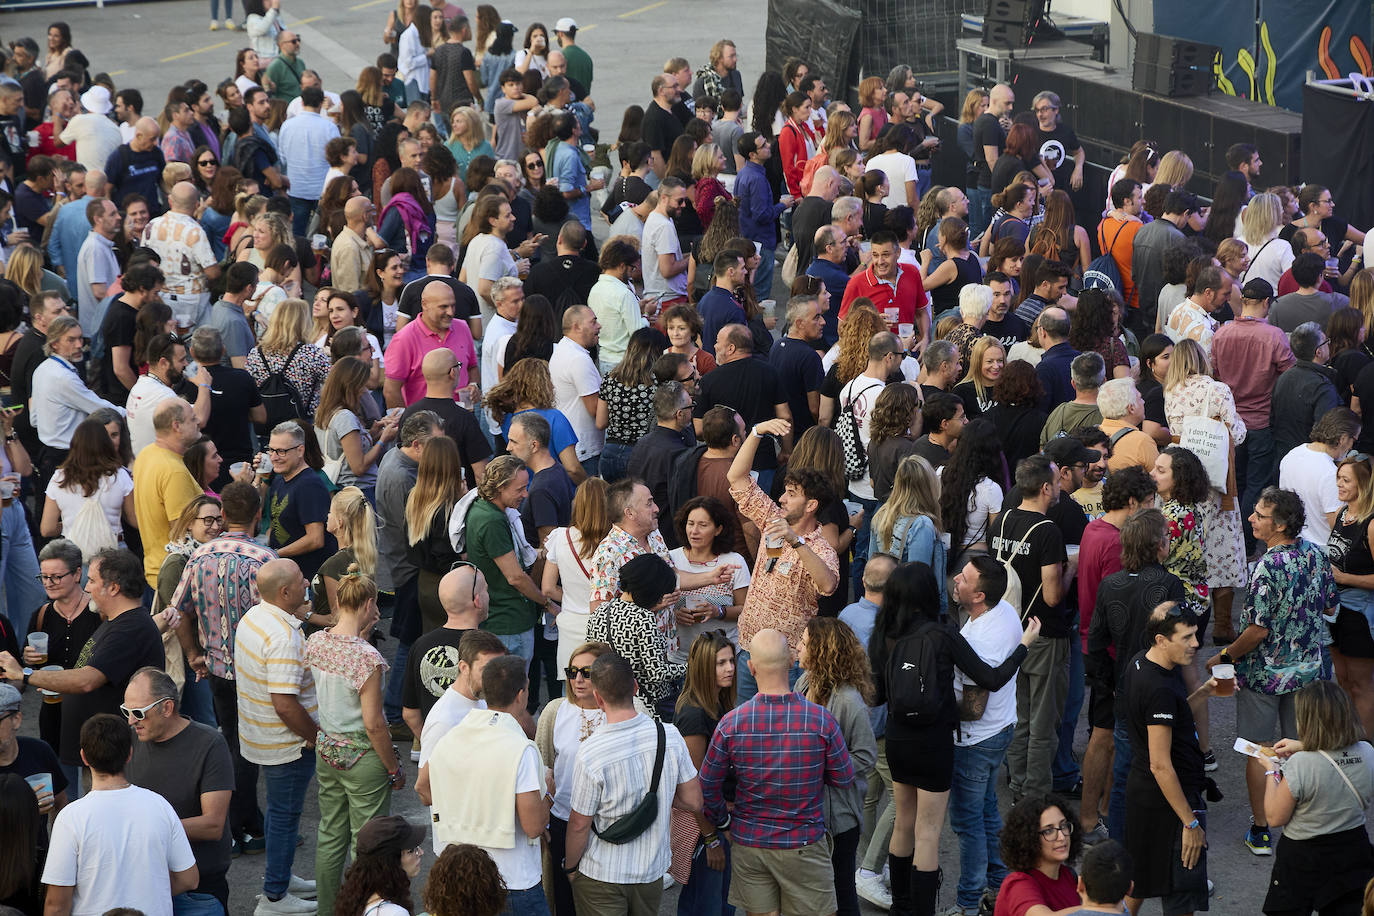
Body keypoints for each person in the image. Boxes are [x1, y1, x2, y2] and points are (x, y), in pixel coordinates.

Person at [869, 562, 1037, 914]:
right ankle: (923, 910)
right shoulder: (943, 633)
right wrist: (1024, 646)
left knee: (903, 821)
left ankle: (901, 905)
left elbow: (878, 696)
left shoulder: (882, 632)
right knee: (928, 832)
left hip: (898, 738)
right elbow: (990, 679)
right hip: (934, 741)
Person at [1212, 486, 1338, 856]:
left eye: (1259, 515)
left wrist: (1225, 656)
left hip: (1265, 675)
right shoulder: (1316, 553)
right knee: (1300, 749)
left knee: (1261, 751)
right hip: (1309, 671)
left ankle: (1262, 828)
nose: (1251, 519)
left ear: (1280, 525)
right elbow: (1330, 606)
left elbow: (1257, 630)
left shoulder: (1266, 567)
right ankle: (1304, 823)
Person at [166, 481, 275, 853]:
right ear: (258, 514)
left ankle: (237, 822)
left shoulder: (198, 557)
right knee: (254, 747)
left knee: (230, 739)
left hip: (215, 669)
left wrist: (194, 653)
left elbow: (176, 611)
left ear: (224, 515)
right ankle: (247, 823)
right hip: (255, 671)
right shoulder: (264, 560)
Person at [303, 565, 401, 916]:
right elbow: (374, 724)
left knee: (331, 835)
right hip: (364, 759)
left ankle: (330, 910)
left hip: (328, 750)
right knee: (369, 844)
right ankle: (367, 910)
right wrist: (393, 766)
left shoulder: (316, 642)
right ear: (368, 603)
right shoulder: (367, 658)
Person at [40, 713, 198, 916]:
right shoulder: (160, 806)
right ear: (129, 754)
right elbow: (188, 879)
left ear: (84, 757)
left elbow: (56, 904)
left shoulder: (70, 818)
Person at [425, 654, 548, 910]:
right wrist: (550, 792)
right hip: (513, 882)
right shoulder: (520, 749)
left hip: (463, 877)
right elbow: (534, 826)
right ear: (521, 694)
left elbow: (422, 788)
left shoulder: (450, 737)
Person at [233, 558, 321, 915]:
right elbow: (285, 704)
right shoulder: (283, 637)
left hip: (261, 736)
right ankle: (274, 897)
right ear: (285, 592)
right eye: (302, 581)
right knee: (285, 815)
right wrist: (317, 737)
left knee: (278, 813)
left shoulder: (255, 616)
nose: (307, 584)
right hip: (288, 744)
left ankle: (280, 878)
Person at [1119, 602, 1211, 916]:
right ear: (1161, 640)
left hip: (1144, 796)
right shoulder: (1158, 688)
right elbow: (1160, 763)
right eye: (1186, 638)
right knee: (1180, 898)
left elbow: (1169, 715)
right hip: (1169, 804)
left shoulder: (1140, 663)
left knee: (1138, 884)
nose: (1196, 644)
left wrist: (1204, 693)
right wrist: (1190, 822)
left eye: (1196, 635)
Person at [123, 667, 235, 915]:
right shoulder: (129, 741)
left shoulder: (209, 745)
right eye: (126, 711)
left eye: (139, 712)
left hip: (197, 889)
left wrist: (146, 830)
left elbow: (213, 825)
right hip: (141, 881)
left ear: (167, 708)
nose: (131, 720)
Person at [991, 454, 1069, 800]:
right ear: (1045, 487)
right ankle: (1034, 789)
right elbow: (1053, 596)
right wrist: (1073, 569)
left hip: (1009, 629)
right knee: (1043, 719)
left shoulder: (1004, 520)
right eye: (1055, 483)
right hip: (1043, 632)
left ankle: (1016, 779)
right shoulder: (1048, 531)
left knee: (1019, 714)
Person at [1261, 680, 1374, 916]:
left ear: (1306, 719)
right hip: (1353, 850)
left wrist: (1272, 770)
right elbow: (1337, 753)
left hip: (1303, 857)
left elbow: (1274, 816)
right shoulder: (1367, 752)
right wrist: (1304, 746)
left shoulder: (1301, 764)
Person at [1164, 338, 1248, 642]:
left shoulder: (1170, 392)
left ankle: (1189, 625)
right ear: (1202, 360)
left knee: (1191, 547)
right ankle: (1223, 626)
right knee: (1222, 549)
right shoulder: (1218, 389)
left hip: (1186, 481)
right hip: (1217, 482)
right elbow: (1236, 434)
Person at [796, 617, 878, 916]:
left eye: (804, 643)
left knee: (841, 890)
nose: (797, 647)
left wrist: (828, 767)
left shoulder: (849, 701)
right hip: (811, 810)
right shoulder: (803, 682)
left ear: (821, 650)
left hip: (840, 817)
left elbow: (866, 755)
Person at [41, 416, 136, 556]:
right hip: (113, 553)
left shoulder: (60, 478)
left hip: (74, 555)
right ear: (106, 444)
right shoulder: (120, 476)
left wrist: (71, 525)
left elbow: (47, 529)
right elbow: (135, 521)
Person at [257, 421, 337, 581]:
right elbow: (274, 523)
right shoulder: (279, 479)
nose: (273, 457)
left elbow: (315, 539)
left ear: (300, 450)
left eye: (281, 451)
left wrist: (275, 554)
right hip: (285, 573)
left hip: (306, 579)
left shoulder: (310, 485)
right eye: (271, 450)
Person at [872, 454, 948, 610]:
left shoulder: (881, 515)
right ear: (928, 486)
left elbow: (871, 565)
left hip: (885, 606)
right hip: (912, 614)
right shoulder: (922, 525)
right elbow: (918, 582)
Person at [993, 791, 1084, 916]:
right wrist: (1100, 909)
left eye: (1063, 826)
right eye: (1048, 831)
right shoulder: (1018, 885)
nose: (1062, 837)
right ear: (1028, 838)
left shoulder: (1068, 875)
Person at [1279, 407, 1359, 548]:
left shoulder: (1291, 455)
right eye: (1354, 439)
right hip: (1321, 551)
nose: (1352, 446)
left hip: (1292, 545)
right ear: (1343, 438)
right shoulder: (1330, 474)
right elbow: (1337, 527)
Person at [334, 815, 426, 916]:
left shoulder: (356, 895)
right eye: (411, 850)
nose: (421, 852)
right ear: (391, 862)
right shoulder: (393, 913)